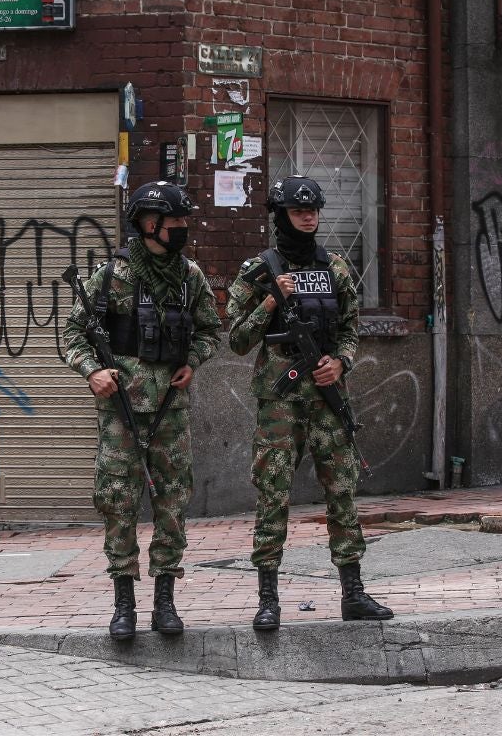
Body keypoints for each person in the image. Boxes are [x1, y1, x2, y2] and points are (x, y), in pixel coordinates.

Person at [225, 175, 392, 631]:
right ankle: (268, 598)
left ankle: (353, 593)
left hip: (326, 397)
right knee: (272, 494)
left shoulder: (334, 268)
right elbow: (237, 339)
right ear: (280, 216)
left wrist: (341, 363)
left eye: (314, 209)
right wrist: (269, 302)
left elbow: (351, 328)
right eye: (299, 211)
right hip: (280, 401)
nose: (308, 216)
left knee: (343, 491)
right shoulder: (256, 271)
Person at [63, 181, 220, 640]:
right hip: (122, 409)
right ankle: (124, 604)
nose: (181, 231)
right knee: (119, 501)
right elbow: (73, 332)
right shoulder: (112, 275)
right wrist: (93, 371)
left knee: (173, 501)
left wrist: (193, 361)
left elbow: (211, 330)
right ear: (149, 224)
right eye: (175, 224)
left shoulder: (190, 276)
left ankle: (165, 602)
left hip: (171, 408)